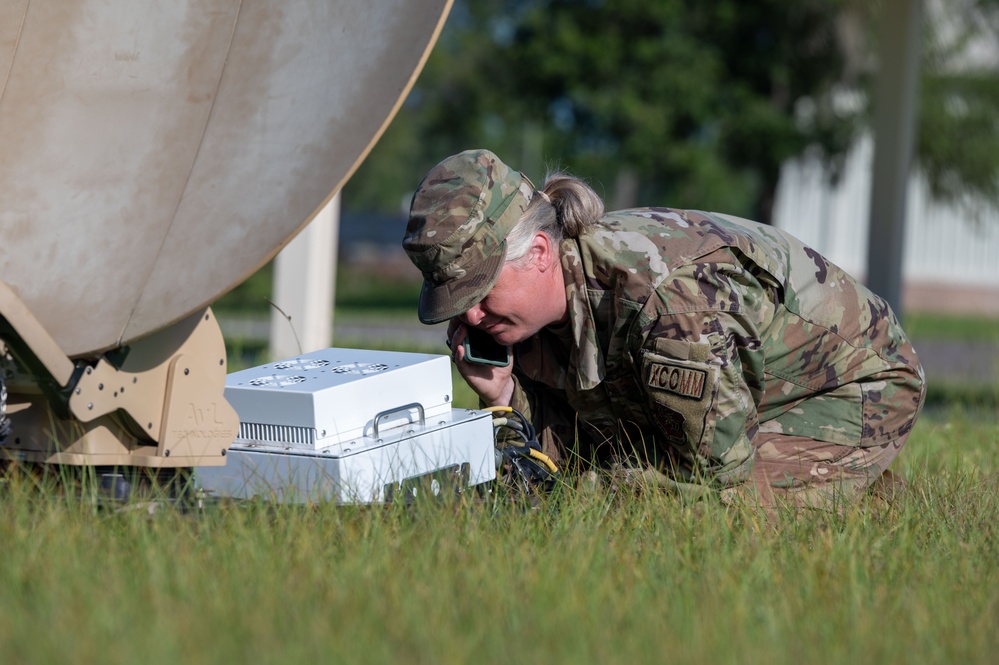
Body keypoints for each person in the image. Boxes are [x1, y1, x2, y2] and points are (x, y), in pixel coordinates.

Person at [402, 148, 926, 509]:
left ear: (539, 252)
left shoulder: (669, 308)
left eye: (479, 292)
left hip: (853, 386)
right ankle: (836, 483)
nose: (469, 318)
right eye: (457, 301)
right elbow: (572, 452)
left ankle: (854, 481)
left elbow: (715, 474)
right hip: (740, 393)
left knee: (705, 516)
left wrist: (601, 490)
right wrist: (505, 394)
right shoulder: (538, 310)